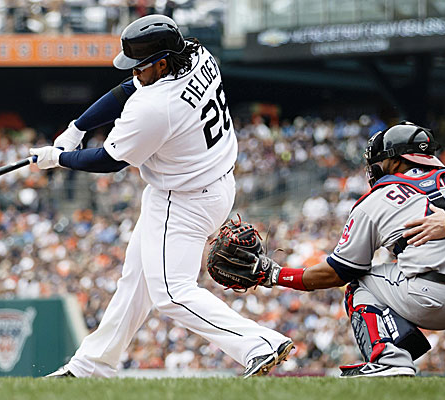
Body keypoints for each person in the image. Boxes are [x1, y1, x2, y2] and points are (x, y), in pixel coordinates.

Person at [30, 14, 293, 378]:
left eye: (141, 67)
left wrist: (59, 158)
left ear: (162, 62)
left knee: (171, 292)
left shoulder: (156, 106)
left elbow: (108, 160)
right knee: (136, 279)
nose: (135, 73)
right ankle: (91, 366)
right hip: (210, 182)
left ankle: (259, 344)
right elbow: (127, 89)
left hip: (183, 198)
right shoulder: (198, 54)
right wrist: (77, 127)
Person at [257, 122, 445, 377]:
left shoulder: (378, 198)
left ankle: (391, 361)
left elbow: (338, 271)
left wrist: (275, 275)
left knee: (359, 282)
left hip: (433, 297)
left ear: (396, 161)